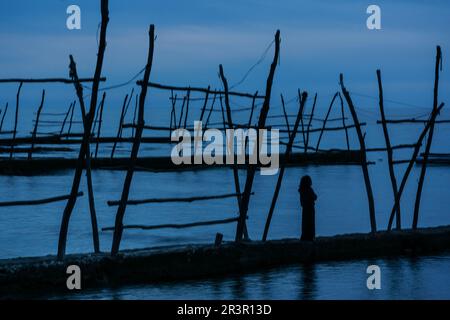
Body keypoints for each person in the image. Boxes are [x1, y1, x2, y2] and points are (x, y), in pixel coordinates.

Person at [298, 175, 317, 241]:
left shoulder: (301, 190)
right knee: (311, 223)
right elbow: (315, 197)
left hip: (305, 209)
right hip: (310, 208)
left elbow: (302, 201)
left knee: (305, 223)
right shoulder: (309, 189)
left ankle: (304, 236)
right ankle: (311, 237)